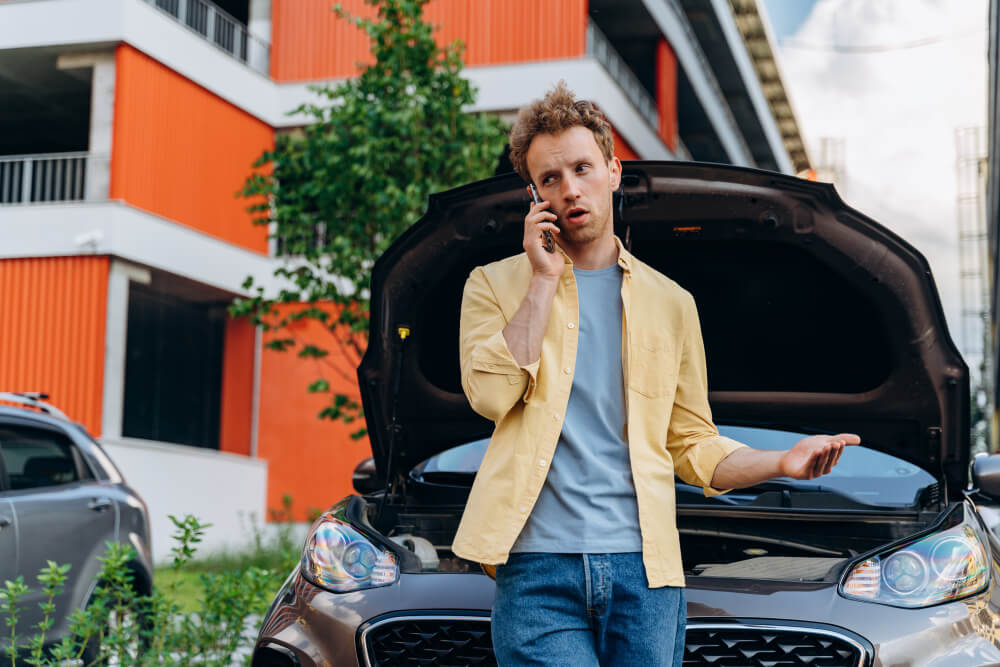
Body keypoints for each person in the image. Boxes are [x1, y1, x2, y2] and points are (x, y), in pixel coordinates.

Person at [452, 82, 859, 666]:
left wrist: (781, 461)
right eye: (550, 179)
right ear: (533, 193)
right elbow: (490, 395)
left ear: (614, 171)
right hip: (537, 567)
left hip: (646, 573)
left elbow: (691, 443)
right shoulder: (493, 285)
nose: (570, 189)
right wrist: (541, 281)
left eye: (582, 168)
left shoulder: (672, 303)